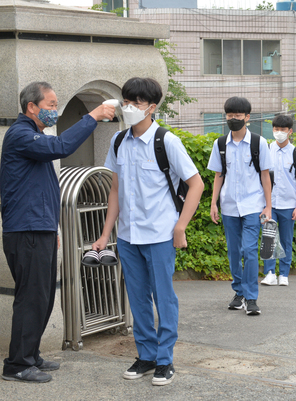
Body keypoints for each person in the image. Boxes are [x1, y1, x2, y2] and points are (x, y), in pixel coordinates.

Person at [0, 81, 115, 383]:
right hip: (27, 230)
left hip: (41, 229)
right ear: (31, 108)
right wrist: (94, 116)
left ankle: (30, 355)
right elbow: (61, 147)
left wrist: (53, 228)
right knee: (32, 297)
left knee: (43, 297)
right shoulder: (20, 134)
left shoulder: (33, 135)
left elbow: (42, 189)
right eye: (51, 105)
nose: (55, 109)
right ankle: (17, 364)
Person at [93, 77, 203, 386]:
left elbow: (197, 184)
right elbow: (116, 190)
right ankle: (146, 355)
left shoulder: (166, 141)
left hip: (159, 234)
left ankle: (165, 359)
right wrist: (105, 234)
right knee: (137, 297)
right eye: (125, 101)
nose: (128, 107)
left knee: (163, 296)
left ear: (151, 107)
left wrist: (180, 226)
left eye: (136, 103)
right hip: (128, 235)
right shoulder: (118, 141)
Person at [207, 97, 272, 315]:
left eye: (238, 115)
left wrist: (268, 206)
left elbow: (265, 176)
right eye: (230, 115)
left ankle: (251, 297)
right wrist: (213, 203)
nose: (233, 119)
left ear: (247, 117)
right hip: (229, 206)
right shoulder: (220, 144)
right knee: (234, 252)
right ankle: (239, 292)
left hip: (253, 205)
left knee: (250, 250)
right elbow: (218, 175)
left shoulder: (258, 143)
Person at [260, 115, 296, 287]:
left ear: (290, 131)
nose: (279, 133)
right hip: (269, 204)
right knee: (269, 238)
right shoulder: (265, 150)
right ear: (272, 130)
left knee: (287, 240)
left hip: (289, 205)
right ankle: (269, 273)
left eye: (283, 130)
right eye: (276, 129)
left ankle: (284, 274)